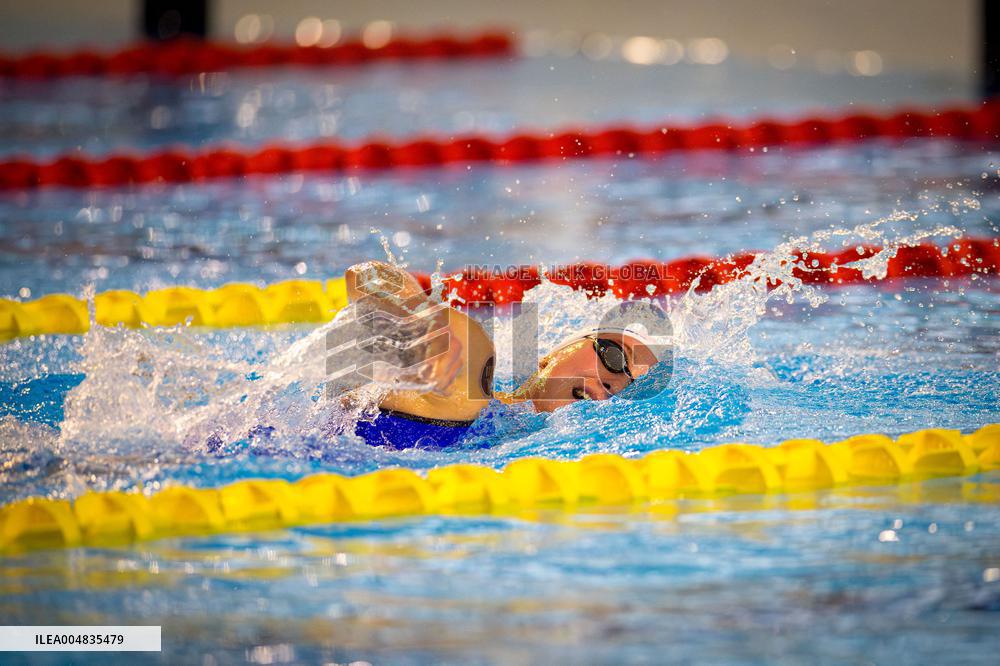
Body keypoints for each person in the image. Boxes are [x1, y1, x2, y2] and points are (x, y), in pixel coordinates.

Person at [340, 261, 665, 449]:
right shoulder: (474, 388)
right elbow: (364, 276)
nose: (612, 386)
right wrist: (412, 315)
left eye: (628, 388)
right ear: (553, 354)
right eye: (614, 357)